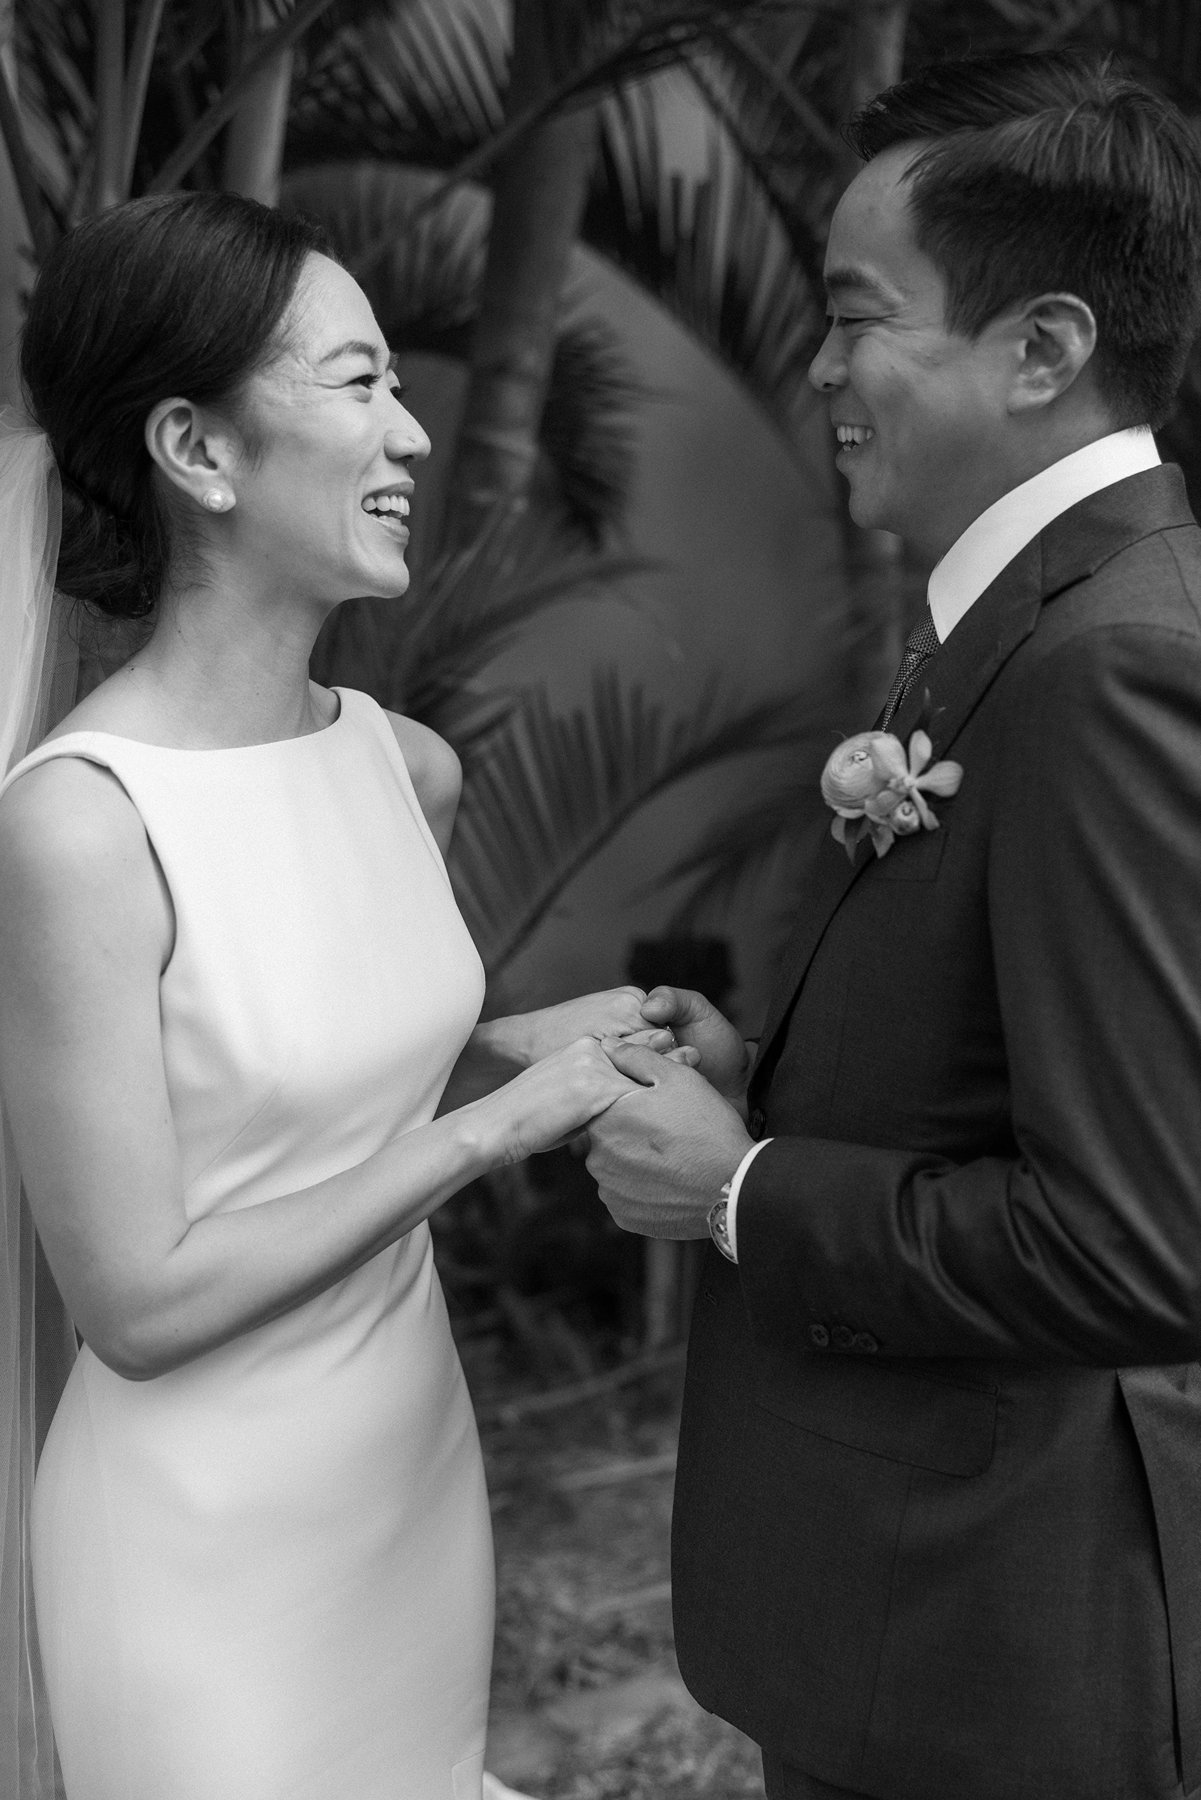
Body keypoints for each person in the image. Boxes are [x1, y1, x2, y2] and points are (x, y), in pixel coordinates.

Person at [0, 191, 690, 1800]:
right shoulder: (80, 828)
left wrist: (547, 1037)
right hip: (197, 1545)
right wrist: (501, 1129)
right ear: (198, 448)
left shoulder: (406, 766)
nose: (412, 436)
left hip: (405, 1482)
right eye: (358, 381)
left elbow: (326, 1064)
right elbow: (138, 1300)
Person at [588, 48, 1201, 1800]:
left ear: (1042, 350)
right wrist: (767, 1088)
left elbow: (1139, 1240)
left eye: (858, 316)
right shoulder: (1027, 621)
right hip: (924, 1621)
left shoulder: (1115, 664)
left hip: (1002, 1646)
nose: (818, 367)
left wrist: (733, 1189)